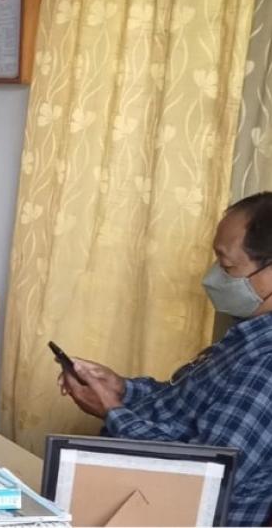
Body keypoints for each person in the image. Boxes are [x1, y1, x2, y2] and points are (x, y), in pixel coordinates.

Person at [58, 192, 272, 526]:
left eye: (227, 266)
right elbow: (184, 406)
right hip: (140, 501)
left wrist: (112, 411)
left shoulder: (266, 365)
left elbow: (201, 479)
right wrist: (122, 389)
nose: (212, 277)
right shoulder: (245, 336)